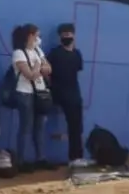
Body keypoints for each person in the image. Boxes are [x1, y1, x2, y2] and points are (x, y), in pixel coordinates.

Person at [11, 24, 53, 172]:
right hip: (25, 93)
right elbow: (30, 75)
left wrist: (40, 67)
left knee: (39, 127)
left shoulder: (37, 50)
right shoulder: (18, 53)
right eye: (36, 35)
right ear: (29, 36)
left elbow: (49, 68)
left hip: (40, 92)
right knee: (26, 127)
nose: (38, 39)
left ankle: (40, 158)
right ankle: (21, 161)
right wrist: (37, 66)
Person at [46, 23, 85, 164]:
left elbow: (77, 71)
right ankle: (74, 157)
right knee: (73, 125)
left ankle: (77, 157)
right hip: (60, 93)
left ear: (74, 36)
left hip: (74, 93)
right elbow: (47, 73)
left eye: (69, 34)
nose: (67, 37)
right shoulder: (54, 53)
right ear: (60, 37)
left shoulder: (77, 54)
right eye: (64, 34)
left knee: (77, 126)